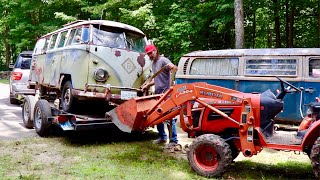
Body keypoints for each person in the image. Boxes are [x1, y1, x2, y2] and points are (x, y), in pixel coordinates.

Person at [142, 44, 178, 145]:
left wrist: (172, 67)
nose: (149, 55)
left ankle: (174, 140)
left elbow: (175, 68)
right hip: (158, 93)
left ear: (155, 51)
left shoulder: (163, 60)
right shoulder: (154, 63)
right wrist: (148, 85)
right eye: (148, 54)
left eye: (151, 53)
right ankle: (162, 137)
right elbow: (156, 78)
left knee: (169, 116)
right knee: (157, 116)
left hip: (166, 93)